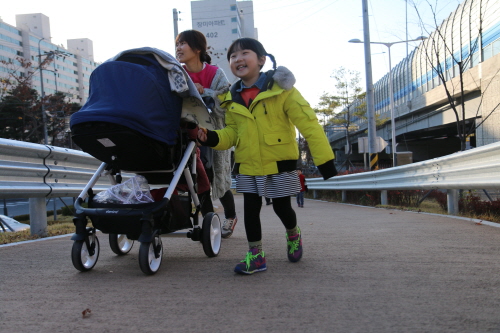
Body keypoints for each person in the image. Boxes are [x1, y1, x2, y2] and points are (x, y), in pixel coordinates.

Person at [197, 38, 337, 275]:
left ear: (261, 60)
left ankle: (293, 234)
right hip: (248, 163)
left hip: (279, 161)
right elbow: (232, 133)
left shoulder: (282, 90)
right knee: (251, 209)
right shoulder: (232, 98)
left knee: (282, 207)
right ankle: (256, 256)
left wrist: (325, 161)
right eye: (233, 56)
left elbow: (309, 123)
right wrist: (210, 137)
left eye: (245, 53)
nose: (238, 59)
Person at [175, 30, 238, 239]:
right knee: (198, 178)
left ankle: (230, 216)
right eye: (177, 44)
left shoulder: (215, 73)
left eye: (183, 43)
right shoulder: (177, 73)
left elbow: (225, 103)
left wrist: (205, 92)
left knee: (217, 177)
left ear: (197, 49)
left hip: (214, 133)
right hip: (187, 134)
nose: (178, 48)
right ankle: (210, 220)